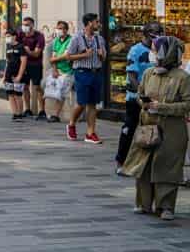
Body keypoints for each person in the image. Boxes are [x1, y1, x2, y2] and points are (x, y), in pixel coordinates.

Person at [121, 36, 190, 221]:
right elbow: (140, 95)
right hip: (148, 126)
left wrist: (163, 107)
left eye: (155, 49)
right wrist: (144, 103)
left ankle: (165, 207)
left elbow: (187, 105)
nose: (152, 53)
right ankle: (143, 203)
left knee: (167, 167)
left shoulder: (182, 77)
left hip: (172, 129)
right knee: (144, 165)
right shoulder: (149, 73)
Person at [115, 22, 163, 174]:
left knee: (154, 131)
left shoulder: (161, 49)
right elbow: (131, 75)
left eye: (160, 32)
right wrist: (142, 94)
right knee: (129, 128)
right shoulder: (135, 50)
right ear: (146, 33)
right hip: (136, 97)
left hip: (155, 98)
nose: (157, 36)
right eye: (155, 32)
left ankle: (148, 163)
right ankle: (121, 161)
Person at [65, 13, 107, 144]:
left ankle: (90, 133)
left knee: (92, 104)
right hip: (82, 72)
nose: (98, 24)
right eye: (96, 22)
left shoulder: (99, 39)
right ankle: (71, 124)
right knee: (82, 103)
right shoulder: (77, 38)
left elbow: (104, 57)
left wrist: (102, 55)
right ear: (89, 23)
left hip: (96, 72)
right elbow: (68, 56)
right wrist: (83, 55)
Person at [46, 20, 74, 122]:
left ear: (66, 30)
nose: (59, 30)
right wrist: (54, 69)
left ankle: (56, 115)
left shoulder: (71, 40)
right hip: (57, 70)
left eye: (61, 28)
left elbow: (66, 55)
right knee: (49, 89)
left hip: (68, 71)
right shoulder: (56, 41)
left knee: (61, 92)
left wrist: (54, 59)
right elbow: (53, 56)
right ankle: (50, 113)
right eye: (58, 28)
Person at [18, 17, 46, 120]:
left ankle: (42, 110)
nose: (25, 27)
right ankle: (27, 109)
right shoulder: (20, 35)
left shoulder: (39, 36)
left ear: (32, 25)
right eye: (23, 24)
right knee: (25, 87)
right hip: (23, 65)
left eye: (27, 25)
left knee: (37, 87)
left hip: (35, 65)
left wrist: (28, 51)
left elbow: (37, 53)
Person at [3, 28, 28, 120]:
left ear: (14, 36)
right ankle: (14, 113)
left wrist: (19, 76)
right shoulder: (8, 47)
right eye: (6, 37)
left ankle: (20, 113)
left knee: (18, 94)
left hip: (18, 74)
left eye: (9, 36)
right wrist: (4, 76)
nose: (7, 38)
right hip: (9, 73)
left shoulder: (21, 47)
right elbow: (7, 62)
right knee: (10, 94)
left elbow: (23, 62)